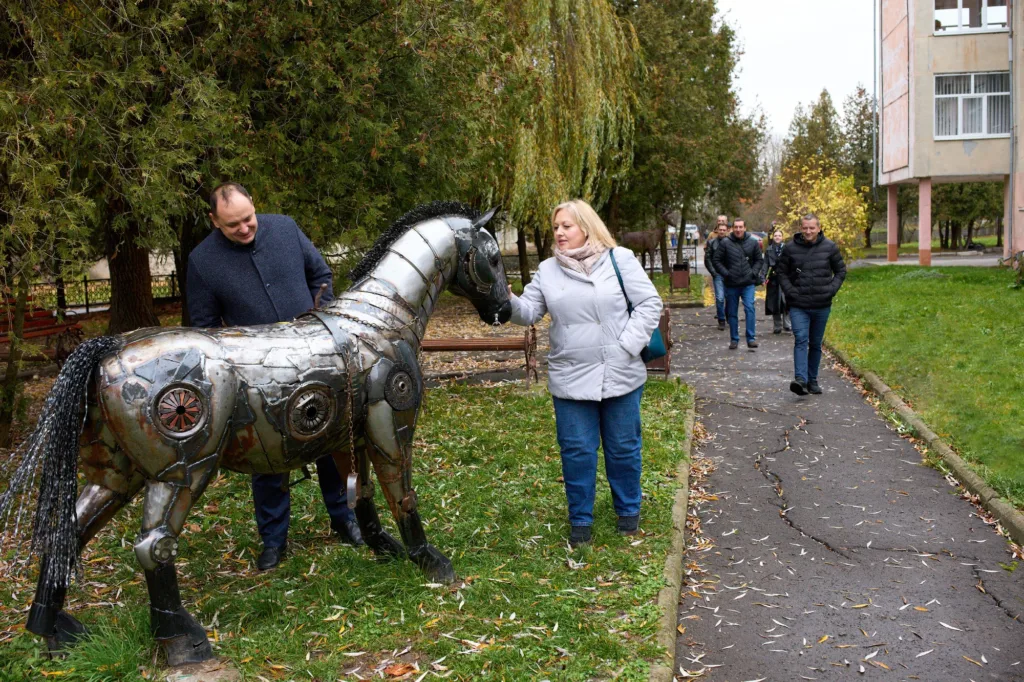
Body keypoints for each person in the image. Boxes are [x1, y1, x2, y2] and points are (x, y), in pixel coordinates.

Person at [187, 182, 364, 571]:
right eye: (233, 224)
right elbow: (204, 328)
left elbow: (320, 274)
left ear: (254, 206)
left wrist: (321, 320)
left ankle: (345, 519)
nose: (244, 228)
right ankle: (273, 540)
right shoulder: (202, 261)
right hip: (258, 375)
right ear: (214, 220)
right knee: (268, 457)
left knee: (330, 443)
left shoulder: (285, 227)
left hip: (314, 358)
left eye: (248, 219)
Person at [508, 199, 663, 548]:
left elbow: (649, 303)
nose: (559, 233)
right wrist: (505, 300)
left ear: (587, 227)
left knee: (623, 448)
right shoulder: (547, 270)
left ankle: (628, 512)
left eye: (567, 226)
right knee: (576, 450)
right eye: (556, 227)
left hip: (620, 371)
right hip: (571, 374)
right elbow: (528, 311)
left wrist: (626, 345)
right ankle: (580, 520)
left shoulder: (620, 259)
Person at [777, 213, 847, 396]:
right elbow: (781, 272)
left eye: (812, 228)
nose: (808, 231)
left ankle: (812, 380)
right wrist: (791, 292)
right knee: (801, 339)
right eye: (805, 228)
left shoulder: (830, 247)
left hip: (821, 304)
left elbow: (840, 271)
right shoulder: (790, 248)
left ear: (819, 228)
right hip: (798, 305)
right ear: (801, 228)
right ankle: (801, 380)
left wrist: (830, 290)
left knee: (815, 343)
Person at [712, 218, 763, 350]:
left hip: (748, 283)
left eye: (741, 227)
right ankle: (734, 339)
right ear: (732, 228)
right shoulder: (725, 243)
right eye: (736, 227)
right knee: (732, 312)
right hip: (731, 284)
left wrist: (753, 273)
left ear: (745, 228)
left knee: (749, 308)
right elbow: (716, 260)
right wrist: (726, 273)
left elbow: (759, 260)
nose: (738, 229)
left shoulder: (753, 242)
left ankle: (751, 338)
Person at [762, 229, 791, 334]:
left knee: (787, 301)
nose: (777, 237)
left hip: (786, 279)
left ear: (782, 237)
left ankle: (787, 324)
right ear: (773, 237)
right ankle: (777, 325)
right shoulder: (769, 250)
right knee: (775, 303)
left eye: (779, 235)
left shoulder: (787, 249)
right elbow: (765, 264)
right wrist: (763, 277)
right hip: (773, 279)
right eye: (775, 236)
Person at [703, 217, 729, 330]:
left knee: (730, 297)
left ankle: (728, 315)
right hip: (718, 274)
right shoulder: (712, 242)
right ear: (717, 230)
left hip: (729, 274)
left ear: (727, 231)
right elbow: (707, 259)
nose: (722, 231)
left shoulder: (731, 242)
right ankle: (721, 319)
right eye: (720, 230)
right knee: (720, 297)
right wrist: (713, 272)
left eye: (724, 230)